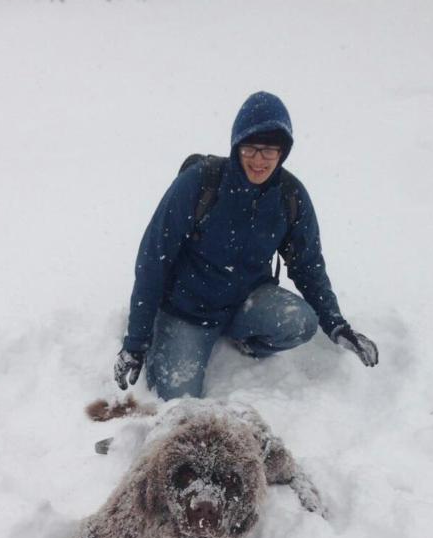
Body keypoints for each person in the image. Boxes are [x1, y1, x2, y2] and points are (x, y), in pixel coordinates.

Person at [114, 91, 378, 400]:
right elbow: (152, 261)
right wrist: (136, 342)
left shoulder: (289, 196)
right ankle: (173, 339)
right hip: (187, 311)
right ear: (236, 146)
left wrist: (336, 325)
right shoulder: (199, 183)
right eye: (250, 148)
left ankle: (243, 341)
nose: (258, 160)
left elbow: (308, 265)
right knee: (179, 407)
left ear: (283, 152)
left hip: (245, 302)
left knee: (301, 322)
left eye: (269, 151)